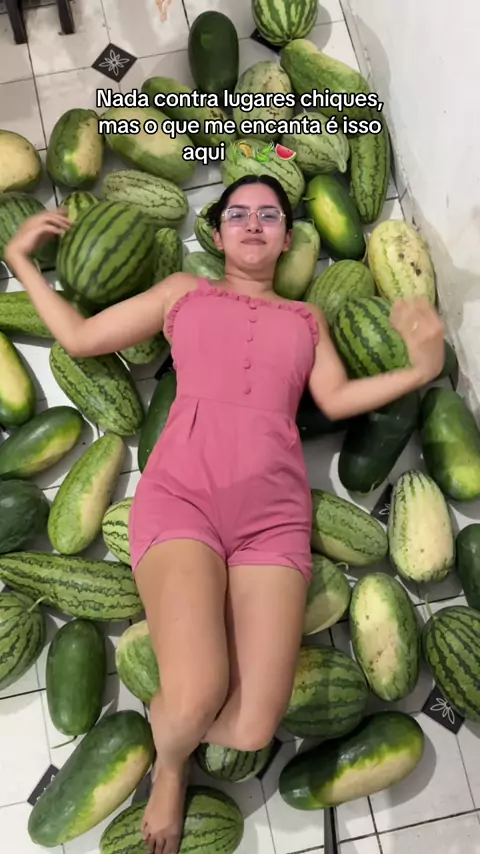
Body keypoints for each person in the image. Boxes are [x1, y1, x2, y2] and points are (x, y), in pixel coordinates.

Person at [5, 175, 444, 854]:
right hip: (181, 499)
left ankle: (174, 717)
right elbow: (82, 336)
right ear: (216, 234)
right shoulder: (184, 292)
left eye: (270, 214)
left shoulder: (307, 319)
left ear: (287, 238)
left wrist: (419, 369)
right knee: (198, 693)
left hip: (273, 519)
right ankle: (171, 765)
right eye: (238, 213)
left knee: (251, 727)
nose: (254, 223)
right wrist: (20, 261)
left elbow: (336, 398)